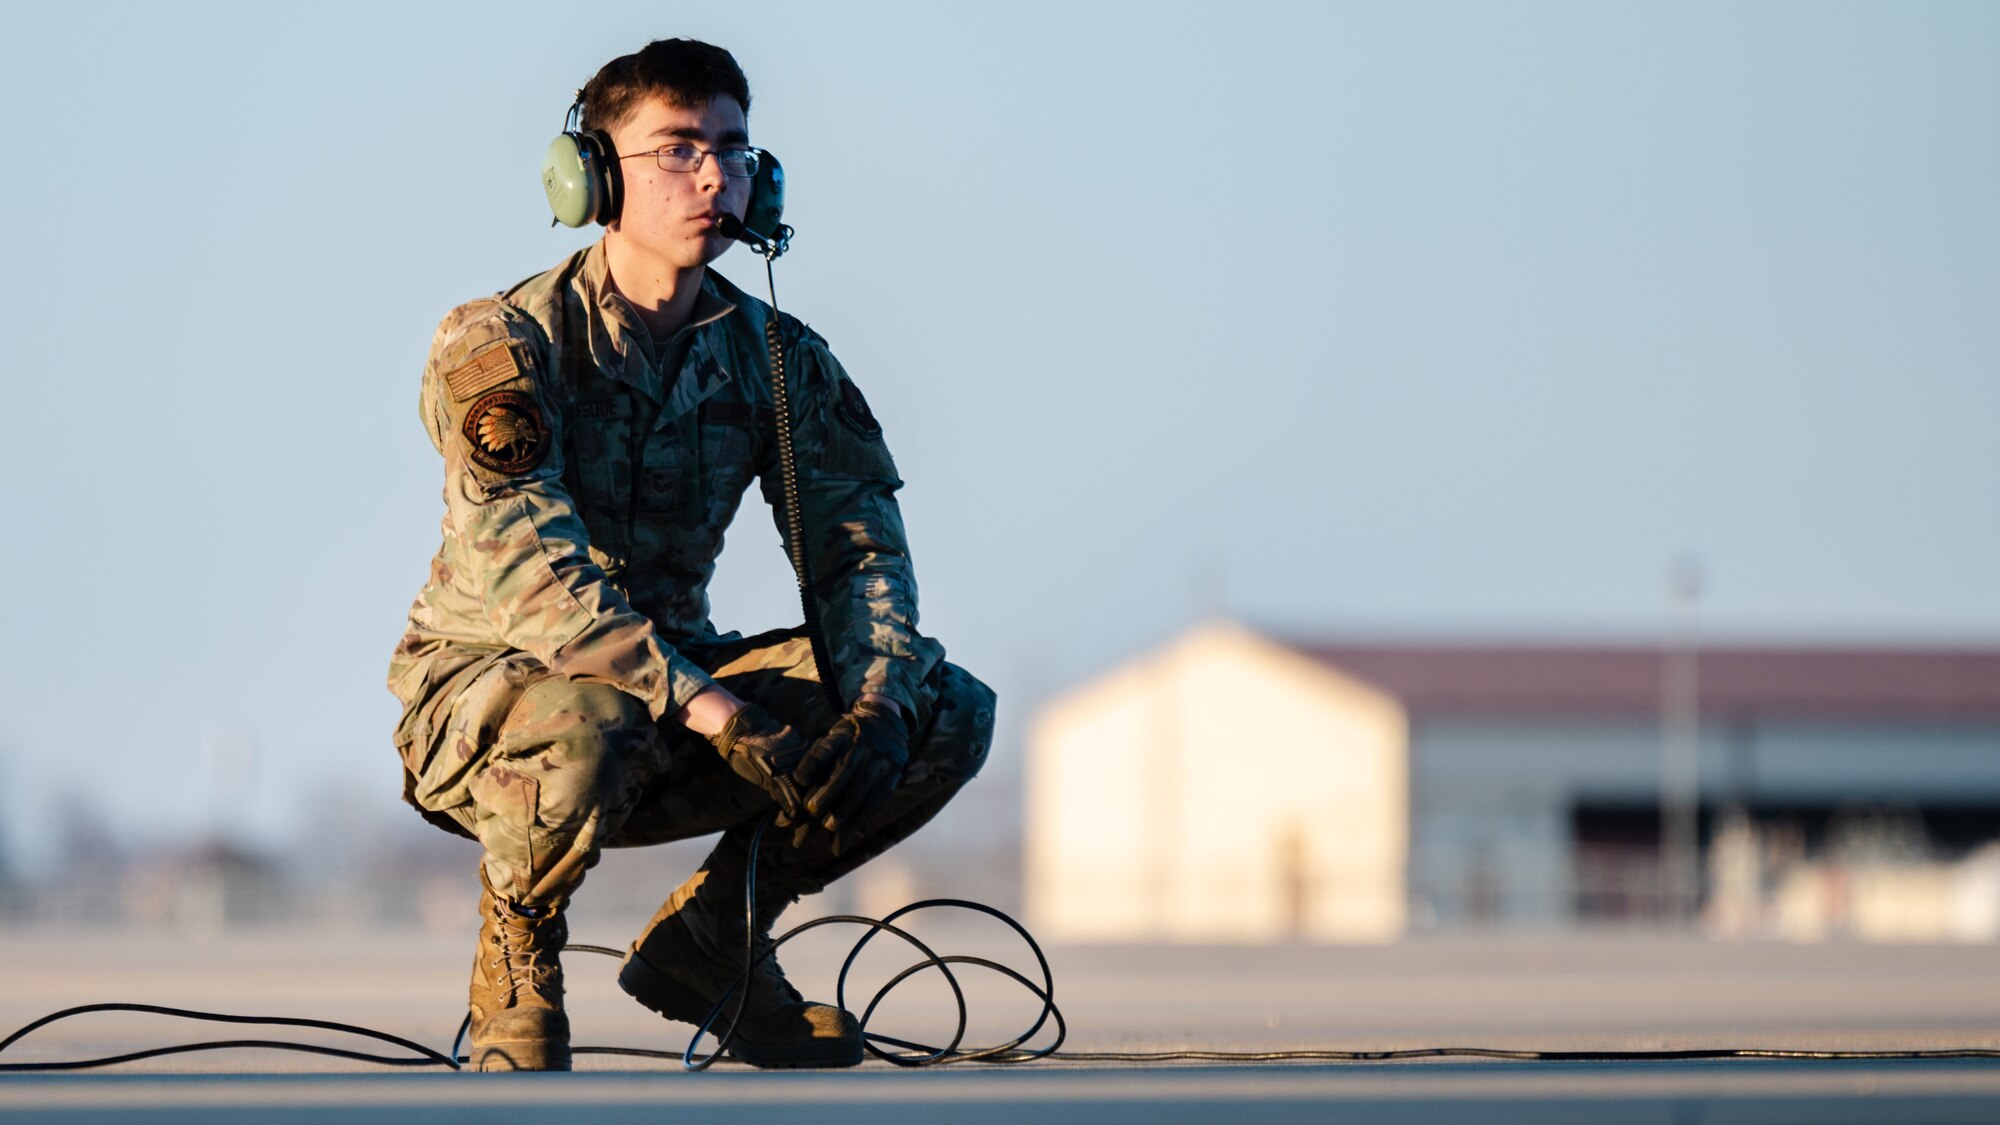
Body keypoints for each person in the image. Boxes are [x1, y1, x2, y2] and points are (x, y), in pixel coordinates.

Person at [385, 38, 995, 1072]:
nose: (714, 175)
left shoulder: (777, 357)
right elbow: (540, 583)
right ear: (593, 177)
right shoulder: (500, 344)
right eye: (676, 149)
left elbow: (857, 556)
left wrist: (877, 703)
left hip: (677, 703)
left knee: (942, 708)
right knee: (594, 716)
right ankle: (515, 959)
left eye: (733, 148)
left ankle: (716, 938)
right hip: (491, 709)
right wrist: (721, 712)